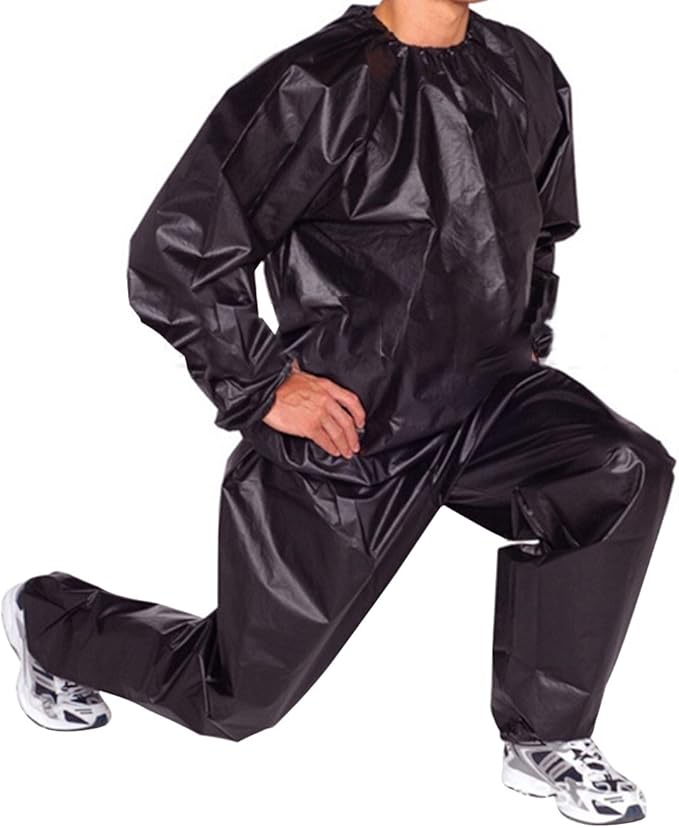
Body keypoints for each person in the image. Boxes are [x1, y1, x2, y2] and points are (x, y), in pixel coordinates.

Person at [2, 2, 674, 823]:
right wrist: (262, 386)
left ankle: (546, 736)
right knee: (236, 697)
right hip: (357, 425)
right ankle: (51, 618)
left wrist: (528, 335)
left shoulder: (524, 68)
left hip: (495, 398)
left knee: (619, 472)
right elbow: (176, 249)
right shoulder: (315, 85)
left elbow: (540, 228)